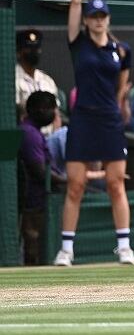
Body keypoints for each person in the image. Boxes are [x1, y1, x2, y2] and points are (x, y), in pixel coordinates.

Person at [57, 0, 134, 267]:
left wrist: (117, 111)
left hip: (109, 121)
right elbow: (75, 3)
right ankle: (66, 250)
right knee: (76, 184)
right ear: (87, 20)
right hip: (83, 119)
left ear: (108, 20)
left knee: (116, 183)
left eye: (102, 16)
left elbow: (122, 88)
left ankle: (125, 247)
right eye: (93, 16)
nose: (98, 20)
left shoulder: (122, 50)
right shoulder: (79, 44)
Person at [18, 91, 56, 265]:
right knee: (33, 249)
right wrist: (69, 180)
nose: (52, 114)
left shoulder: (34, 132)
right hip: (34, 203)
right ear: (38, 110)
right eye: (49, 109)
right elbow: (40, 172)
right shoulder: (30, 134)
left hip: (39, 200)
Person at [15, 29, 58, 115]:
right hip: (24, 126)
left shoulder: (47, 80)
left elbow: (56, 111)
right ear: (19, 52)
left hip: (49, 127)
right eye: (29, 49)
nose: (34, 52)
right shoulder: (12, 79)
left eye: (36, 48)